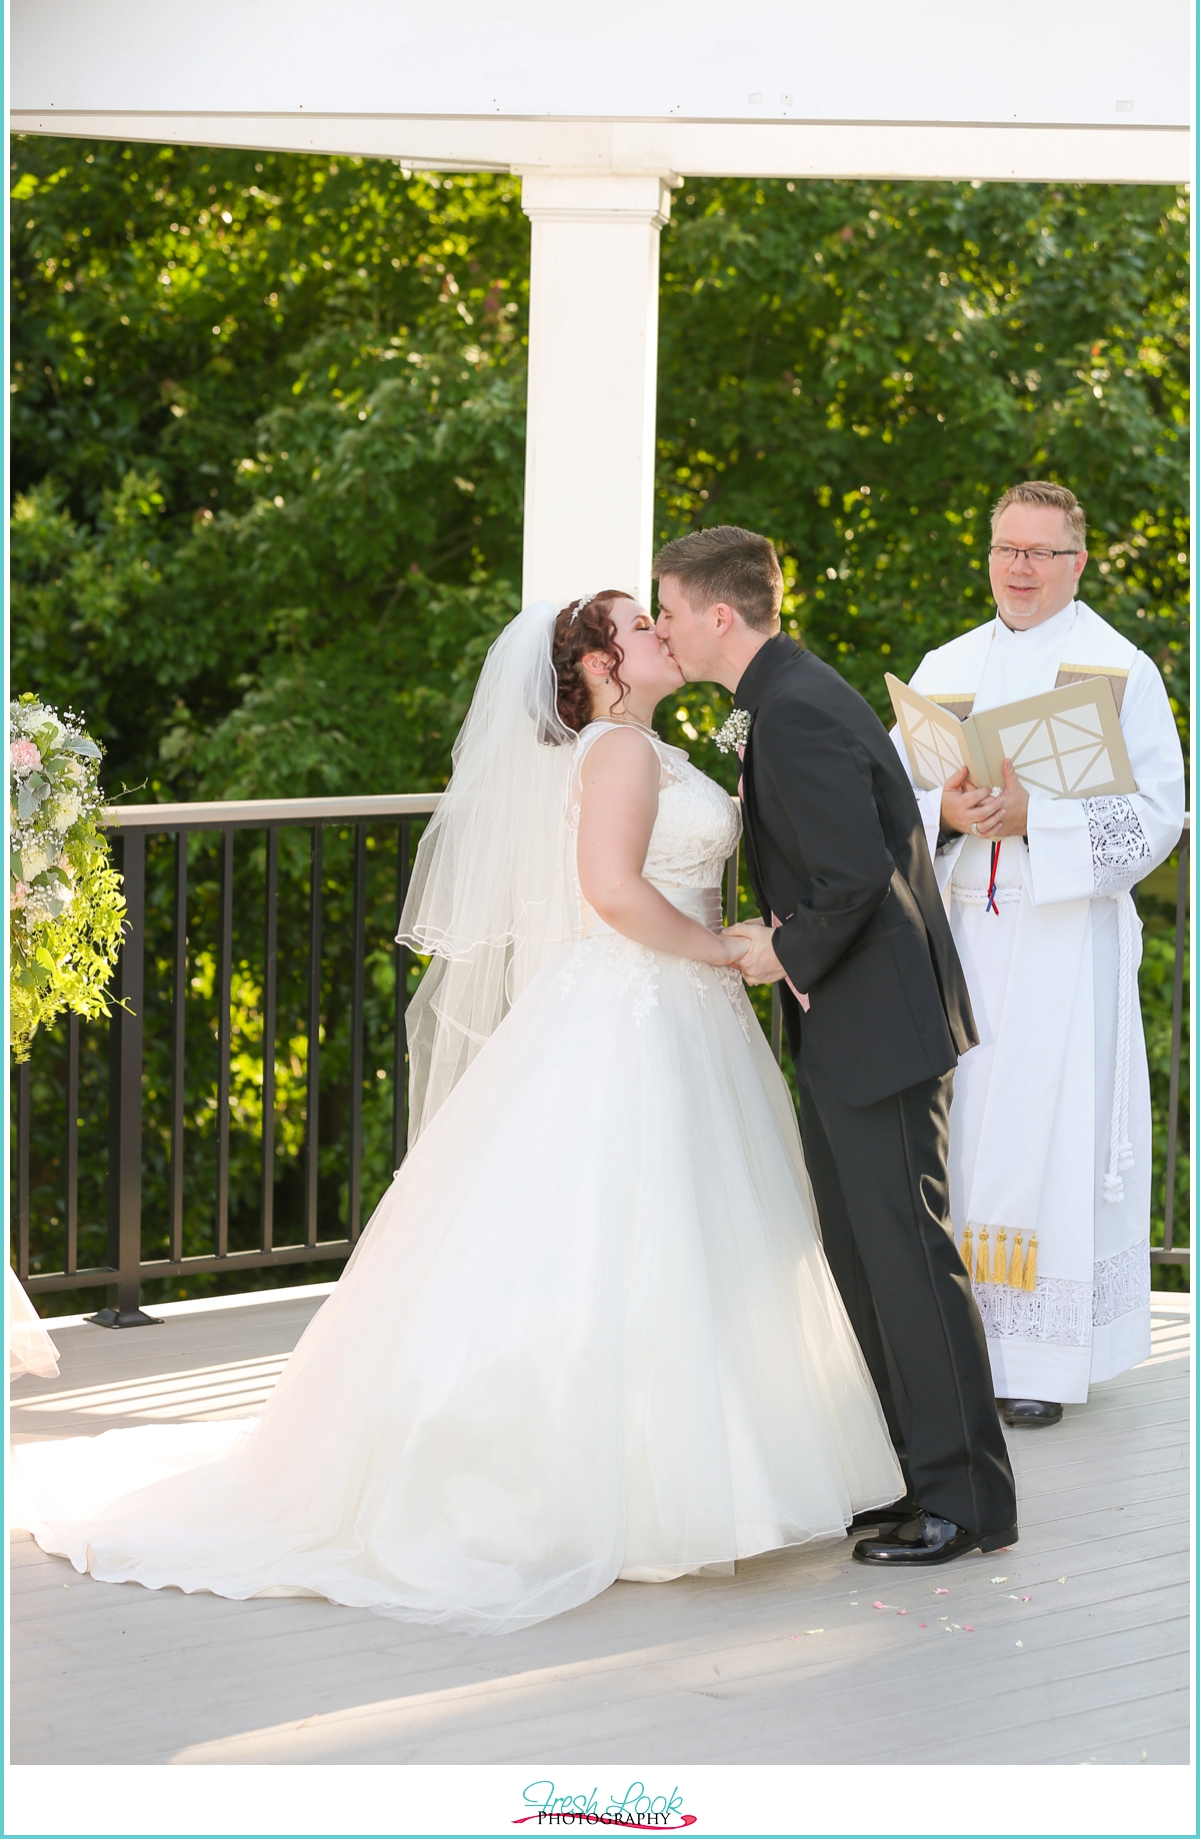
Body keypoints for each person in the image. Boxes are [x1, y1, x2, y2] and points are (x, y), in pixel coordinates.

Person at [12, 591, 904, 1634]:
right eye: (639, 624)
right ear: (603, 667)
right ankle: (627, 1492)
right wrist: (719, 949)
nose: (663, 632)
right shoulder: (616, 754)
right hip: (640, 1006)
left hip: (675, 1015)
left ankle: (705, 1480)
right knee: (632, 1238)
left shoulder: (646, 747)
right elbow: (613, 891)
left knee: (676, 1241)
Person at [654, 525, 1018, 1568]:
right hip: (850, 1020)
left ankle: (970, 1501)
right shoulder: (781, 698)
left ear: (720, 614)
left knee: (909, 1261)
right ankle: (909, 1477)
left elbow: (856, 877)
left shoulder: (798, 710)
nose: (667, 628)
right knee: (865, 1264)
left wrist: (781, 951)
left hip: (880, 1025)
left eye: (670, 610)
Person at [893, 481, 1185, 1426]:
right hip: (965, 934)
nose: (1019, 569)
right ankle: (957, 1342)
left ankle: (1039, 1361)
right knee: (961, 1122)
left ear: (1078, 562)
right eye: (1006, 549)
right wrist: (945, 812)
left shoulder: (1119, 670)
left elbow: (1159, 816)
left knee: (1048, 1129)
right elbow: (893, 789)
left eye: (1041, 553)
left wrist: (1037, 820)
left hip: (1061, 935)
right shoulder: (946, 666)